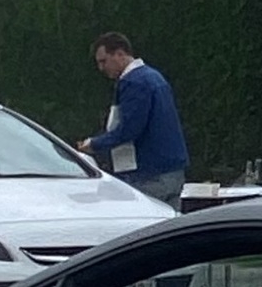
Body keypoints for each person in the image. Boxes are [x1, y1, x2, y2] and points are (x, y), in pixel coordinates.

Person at [77, 33, 188, 205]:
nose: (101, 68)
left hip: (150, 174)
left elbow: (130, 129)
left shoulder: (133, 82)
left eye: (103, 61)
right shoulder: (154, 77)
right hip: (173, 170)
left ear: (120, 54)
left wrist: (94, 144)